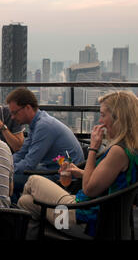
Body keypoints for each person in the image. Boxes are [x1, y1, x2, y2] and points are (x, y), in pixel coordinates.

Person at [17, 90, 138, 238]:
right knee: (26, 202)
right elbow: (105, 180)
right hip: (97, 215)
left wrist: (93, 148)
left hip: (84, 220)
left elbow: (88, 189)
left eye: (102, 115)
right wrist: (80, 172)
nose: (100, 121)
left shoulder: (118, 152)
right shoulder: (131, 147)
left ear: (118, 117)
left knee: (33, 180)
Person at [5, 87, 84, 203]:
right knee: (9, 176)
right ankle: (18, 211)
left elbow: (29, 164)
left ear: (27, 107)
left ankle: (14, 216)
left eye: (14, 112)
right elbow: (22, 153)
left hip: (63, 177)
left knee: (5, 180)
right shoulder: (37, 123)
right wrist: (4, 164)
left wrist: (5, 171)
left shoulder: (44, 126)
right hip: (52, 169)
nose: (12, 117)